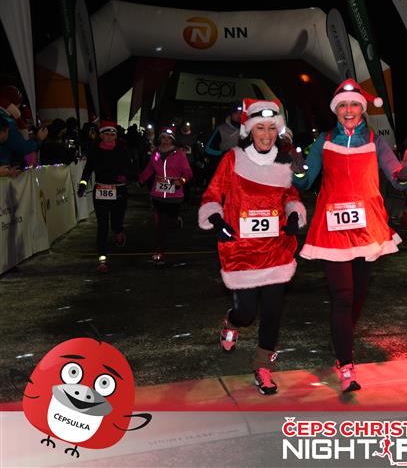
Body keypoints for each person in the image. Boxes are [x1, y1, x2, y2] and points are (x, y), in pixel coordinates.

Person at [292, 78, 407, 393]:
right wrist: (297, 169)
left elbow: (396, 177)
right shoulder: (324, 141)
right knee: (343, 295)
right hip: (333, 227)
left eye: (354, 105)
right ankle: (346, 363)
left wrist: (404, 176)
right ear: (336, 110)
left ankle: (341, 337)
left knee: (358, 294)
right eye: (343, 105)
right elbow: (305, 180)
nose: (349, 110)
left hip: (366, 227)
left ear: (362, 110)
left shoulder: (375, 141)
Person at [198, 98, 306, 395]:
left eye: (272, 128)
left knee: (272, 312)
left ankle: (263, 366)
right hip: (241, 251)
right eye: (261, 127)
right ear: (249, 130)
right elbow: (212, 194)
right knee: (246, 313)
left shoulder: (282, 161)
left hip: (276, 249)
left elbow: (291, 194)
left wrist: (293, 213)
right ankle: (232, 322)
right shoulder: (233, 159)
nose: (267, 134)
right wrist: (216, 220)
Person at [77, 121, 133, 272]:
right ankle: (102, 260)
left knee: (116, 223)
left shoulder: (122, 151)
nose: (109, 137)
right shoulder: (94, 151)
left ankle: (119, 232)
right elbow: (87, 170)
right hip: (100, 191)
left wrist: (125, 176)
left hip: (119, 191)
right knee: (102, 226)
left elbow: (131, 169)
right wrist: (82, 186)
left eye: (112, 135)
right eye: (106, 134)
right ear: (101, 136)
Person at [139, 126, 193, 265]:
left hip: (174, 196)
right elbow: (150, 168)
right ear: (159, 139)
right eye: (163, 138)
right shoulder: (156, 154)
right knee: (160, 225)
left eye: (169, 138)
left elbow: (188, 173)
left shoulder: (180, 154)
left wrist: (181, 181)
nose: (166, 141)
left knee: (171, 222)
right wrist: (141, 179)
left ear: (173, 140)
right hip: (157, 195)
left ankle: (176, 221)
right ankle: (160, 253)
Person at [0, 85, 47, 167]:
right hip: (4, 165)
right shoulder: (8, 121)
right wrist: (38, 140)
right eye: (19, 104)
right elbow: (21, 148)